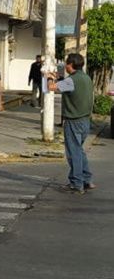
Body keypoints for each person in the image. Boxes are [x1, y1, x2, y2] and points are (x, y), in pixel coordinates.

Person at [47, 53, 95, 194]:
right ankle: (87, 180)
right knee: (79, 151)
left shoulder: (71, 80)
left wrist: (49, 78)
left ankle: (76, 183)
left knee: (73, 153)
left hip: (73, 121)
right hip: (85, 120)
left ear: (70, 65)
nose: (65, 66)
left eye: (66, 64)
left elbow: (51, 87)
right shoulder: (86, 78)